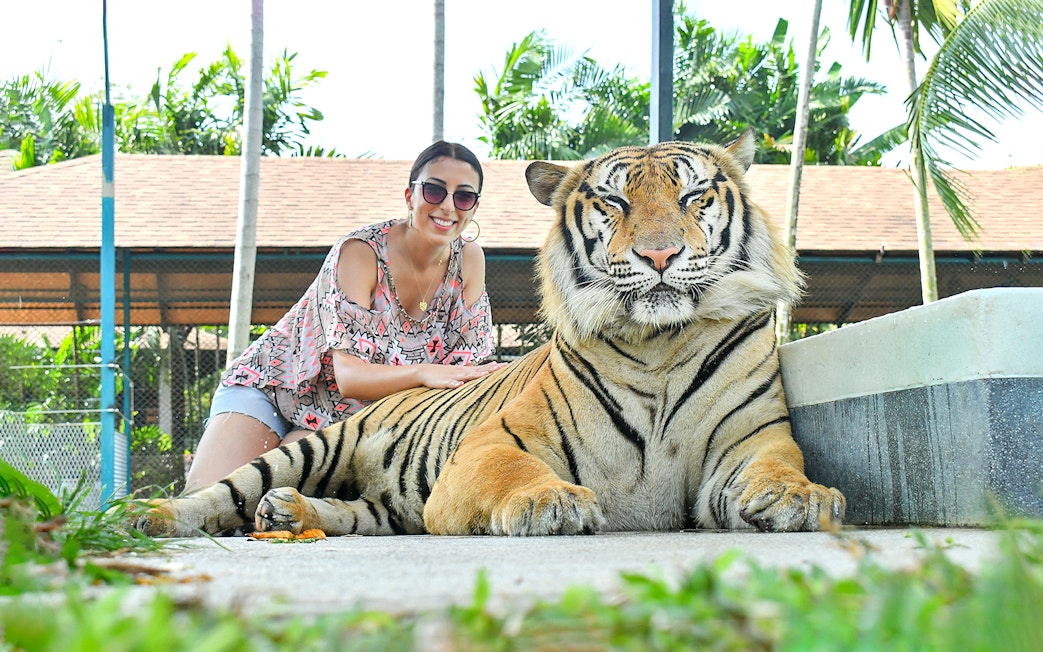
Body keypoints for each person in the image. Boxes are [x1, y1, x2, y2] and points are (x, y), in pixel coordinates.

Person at [185, 141, 506, 492]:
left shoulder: (470, 261)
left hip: (344, 426)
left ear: (474, 208)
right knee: (202, 507)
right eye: (434, 190)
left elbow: (466, 372)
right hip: (274, 392)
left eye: (463, 197)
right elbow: (350, 377)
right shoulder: (362, 252)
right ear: (409, 196)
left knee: (271, 511)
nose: (447, 205)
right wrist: (423, 371)